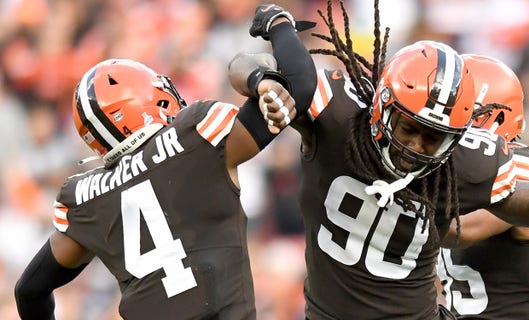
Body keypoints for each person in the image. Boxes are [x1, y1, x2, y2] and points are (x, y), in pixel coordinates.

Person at [231, 2, 529, 319]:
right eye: (408, 127)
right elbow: (249, 67)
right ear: (381, 104)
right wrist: (264, 79)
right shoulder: (340, 114)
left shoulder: (484, 162)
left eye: (437, 136)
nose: (415, 147)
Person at [13, 25, 316, 320]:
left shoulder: (84, 197)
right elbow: (299, 83)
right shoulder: (196, 136)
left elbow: (29, 291)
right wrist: (278, 25)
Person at [436, 54, 529, 319]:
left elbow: (461, 229)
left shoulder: (520, 162)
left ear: (495, 116)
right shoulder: (449, 171)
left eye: (458, 109)